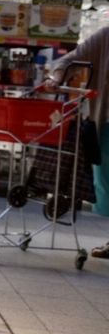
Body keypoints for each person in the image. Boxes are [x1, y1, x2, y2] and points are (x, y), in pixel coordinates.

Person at [47, 25, 109, 257]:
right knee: (106, 180)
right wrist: (56, 77)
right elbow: (70, 60)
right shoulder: (106, 37)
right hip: (106, 123)